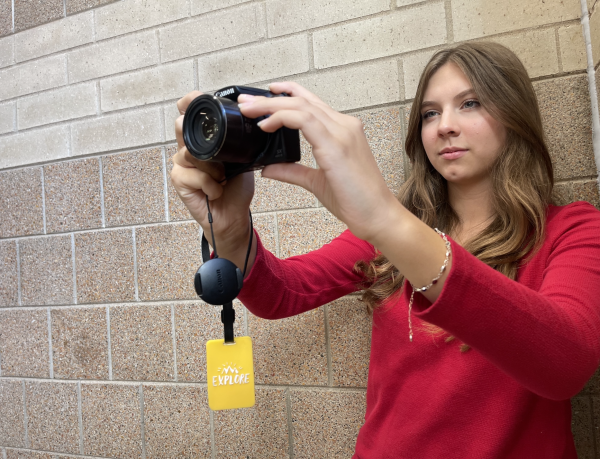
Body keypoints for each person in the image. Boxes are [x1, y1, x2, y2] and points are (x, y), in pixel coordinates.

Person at [170, 42, 600, 458]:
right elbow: (281, 293)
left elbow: (567, 365)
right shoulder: (387, 232)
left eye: (470, 104)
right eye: (430, 113)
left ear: (515, 116)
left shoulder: (571, 229)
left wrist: (386, 218)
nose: (444, 125)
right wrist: (231, 231)